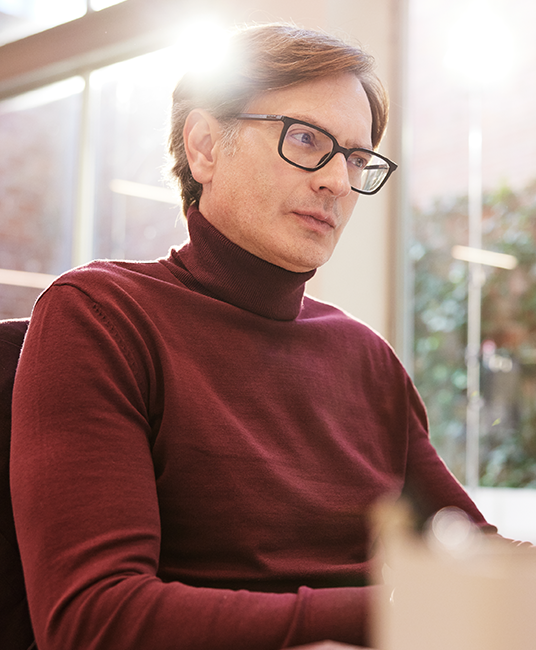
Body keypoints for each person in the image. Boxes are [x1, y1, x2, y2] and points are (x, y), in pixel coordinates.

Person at [10, 23, 496, 650]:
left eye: (354, 158)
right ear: (206, 146)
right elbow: (95, 620)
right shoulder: (103, 316)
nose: (338, 183)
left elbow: (473, 553)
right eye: (305, 139)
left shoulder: (364, 357)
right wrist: (400, 616)